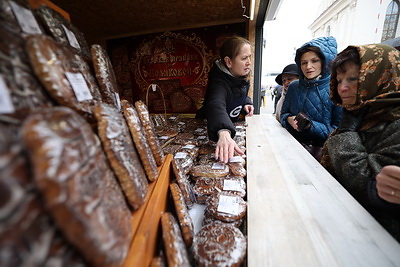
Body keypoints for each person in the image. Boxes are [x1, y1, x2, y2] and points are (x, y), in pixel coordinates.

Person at [320, 43, 400, 241]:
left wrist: (345, 132)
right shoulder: (363, 114)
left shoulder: (394, 125)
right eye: (339, 80)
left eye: (353, 79)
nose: (342, 88)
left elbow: (366, 184)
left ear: (381, 77)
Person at [280, 36, 342, 161]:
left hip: (322, 157)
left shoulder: (337, 89)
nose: (308, 66)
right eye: (304, 62)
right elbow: (283, 114)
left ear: (325, 62)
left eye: (314, 61)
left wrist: (310, 126)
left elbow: (339, 133)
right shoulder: (293, 87)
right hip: (290, 149)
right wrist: (289, 119)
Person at [196, 36, 254, 163]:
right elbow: (216, 104)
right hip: (209, 129)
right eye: (244, 58)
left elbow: (238, 92)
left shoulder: (239, 76)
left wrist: (246, 102)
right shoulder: (218, 83)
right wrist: (223, 131)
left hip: (227, 128)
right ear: (228, 62)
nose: (249, 62)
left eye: (249, 56)